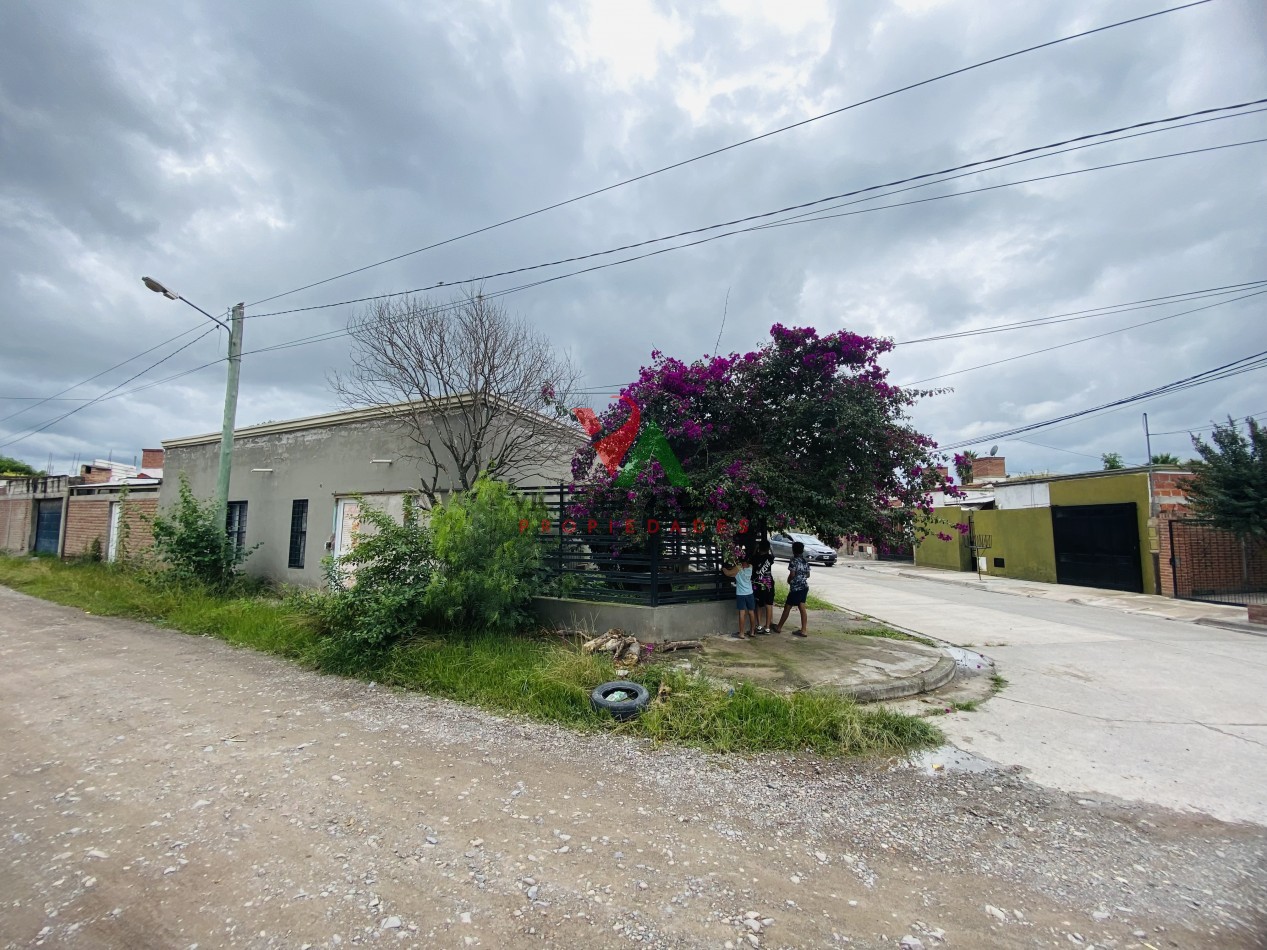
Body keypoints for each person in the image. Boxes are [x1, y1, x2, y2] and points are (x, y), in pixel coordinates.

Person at [773, 540, 811, 638]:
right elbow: (808, 574)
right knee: (802, 607)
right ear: (802, 551)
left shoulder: (793, 561)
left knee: (787, 607)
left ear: (793, 550)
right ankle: (804, 630)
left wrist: (789, 580)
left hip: (796, 588)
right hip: (804, 587)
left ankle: (779, 627)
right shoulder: (805, 561)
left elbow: (792, 574)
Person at [723, 549, 756, 639]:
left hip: (741, 594)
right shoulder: (751, 567)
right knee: (751, 612)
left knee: (742, 613)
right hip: (750, 592)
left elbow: (729, 574)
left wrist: (723, 568)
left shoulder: (738, 568)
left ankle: (741, 633)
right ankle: (752, 631)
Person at [752, 539, 775, 634]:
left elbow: (752, 557)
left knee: (759, 605)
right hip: (769, 583)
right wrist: (770, 548)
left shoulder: (756, 557)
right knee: (769, 604)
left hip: (758, 583)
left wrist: (755, 548)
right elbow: (773, 555)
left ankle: (759, 626)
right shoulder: (769, 557)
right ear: (768, 548)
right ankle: (768, 627)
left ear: (759, 548)